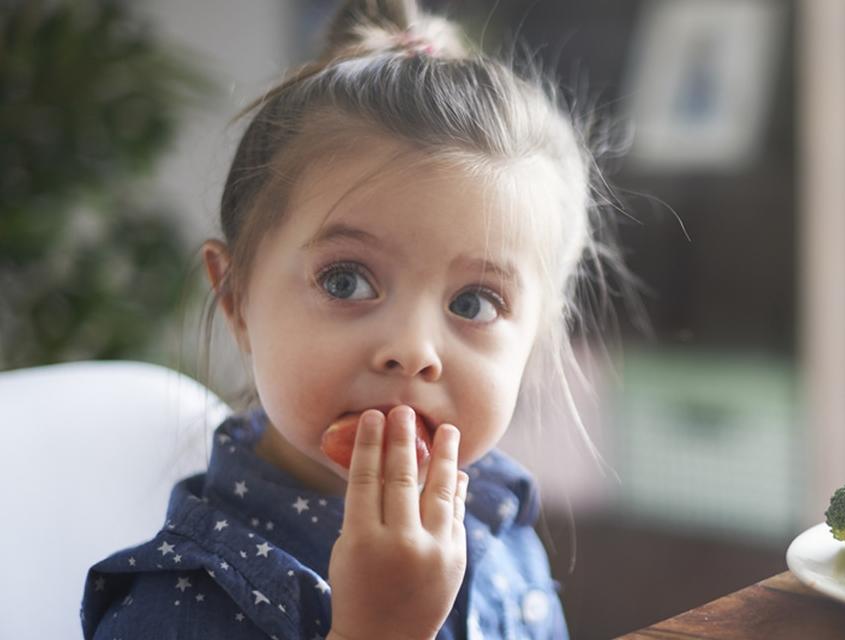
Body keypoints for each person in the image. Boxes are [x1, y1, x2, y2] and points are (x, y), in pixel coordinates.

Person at [81, 0, 632, 638]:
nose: (412, 348)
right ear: (235, 299)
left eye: (474, 303)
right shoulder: (179, 608)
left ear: (536, 336)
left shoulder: (497, 516)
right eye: (345, 281)